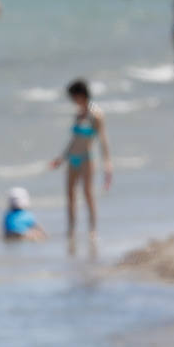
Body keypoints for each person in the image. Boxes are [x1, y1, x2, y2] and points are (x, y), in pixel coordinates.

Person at [50, 80, 112, 249]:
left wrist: (107, 163)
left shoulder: (96, 114)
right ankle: (71, 230)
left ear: (81, 95)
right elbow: (73, 140)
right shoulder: (78, 114)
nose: (72, 100)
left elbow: (103, 140)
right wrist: (61, 158)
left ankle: (92, 230)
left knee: (87, 194)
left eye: (74, 97)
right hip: (72, 159)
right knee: (70, 195)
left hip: (87, 158)